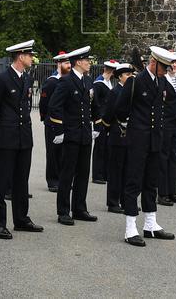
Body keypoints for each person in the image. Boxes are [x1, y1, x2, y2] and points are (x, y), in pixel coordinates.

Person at [116, 47, 175, 246]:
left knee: (152, 181)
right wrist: (130, 127)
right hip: (138, 140)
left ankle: (150, 223)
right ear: (153, 62)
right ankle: (130, 227)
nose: (166, 71)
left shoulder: (161, 81)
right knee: (133, 182)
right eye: (163, 67)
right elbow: (120, 108)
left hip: (154, 140)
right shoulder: (135, 81)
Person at [0, 41, 43, 239]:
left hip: (24, 137)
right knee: (1, 182)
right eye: (29, 55)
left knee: (21, 180)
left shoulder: (26, 78)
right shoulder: (1, 79)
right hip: (7, 137)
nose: (32, 58)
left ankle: (21, 219)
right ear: (20, 56)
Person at [49, 45, 98, 226]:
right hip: (70, 135)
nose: (90, 63)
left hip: (84, 134)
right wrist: (59, 131)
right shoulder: (66, 81)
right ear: (78, 62)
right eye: (87, 61)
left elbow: (89, 106)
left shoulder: (87, 81)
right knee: (67, 174)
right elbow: (55, 106)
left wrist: (95, 125)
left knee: (83, 173)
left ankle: (79, 208)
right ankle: (63, 211)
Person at [101, 63, 134, 212]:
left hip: (131, 135)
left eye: (131, 74)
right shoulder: (115, 92)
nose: (130, 77)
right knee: (115, 170)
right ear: (120, 77)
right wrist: (110, 128)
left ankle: (125, 201)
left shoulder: (132, 91)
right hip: (117, 133)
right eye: (127, 75)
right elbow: (107, 115)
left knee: (128, 170)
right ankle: (113, 202)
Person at [158, 58, 176, 205]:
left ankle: (173, 191)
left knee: (174, 155)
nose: (175, 65)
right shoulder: (162, 79)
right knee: (163, 156)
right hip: (165, 122)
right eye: (172, 63)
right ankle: (162, 193)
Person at [39, 51, 70, 192]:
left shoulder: (68, 80)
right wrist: (45, 118)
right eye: (65, 63)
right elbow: (44, 103)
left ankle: (63, 180)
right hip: (52, 122)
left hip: (65, 122)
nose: (69, 65)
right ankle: (52, 180)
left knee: (64, 154)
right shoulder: (52, 81)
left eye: (69, 62)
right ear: (59, 64)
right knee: (53, 153)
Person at [92, 60, 117, 184]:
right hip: (100, 119)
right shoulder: (98, 83)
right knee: (100, 148)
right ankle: (97, 174)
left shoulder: (108, 82)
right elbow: (95, 104)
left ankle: (104, 172)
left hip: (108, 119)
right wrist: (96, 123)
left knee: (107, 147)